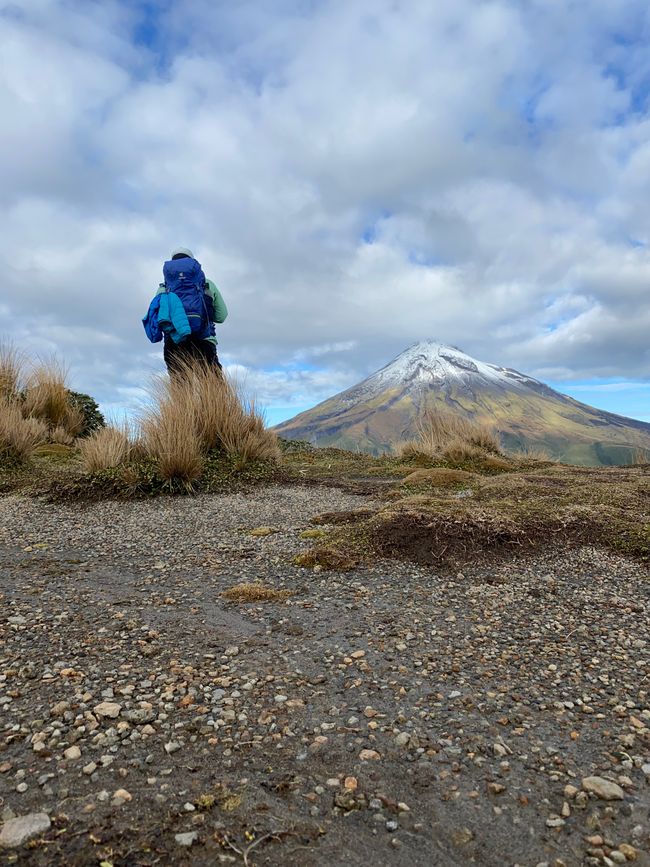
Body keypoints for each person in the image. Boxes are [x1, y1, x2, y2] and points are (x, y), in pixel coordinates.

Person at [143, 247, 228, 374]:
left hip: (174, 342)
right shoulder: (207, 284)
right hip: (204, 341)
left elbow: (157, 317)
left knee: (180, 387)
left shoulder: (163, 289)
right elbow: (222, 316)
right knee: (212, 386)